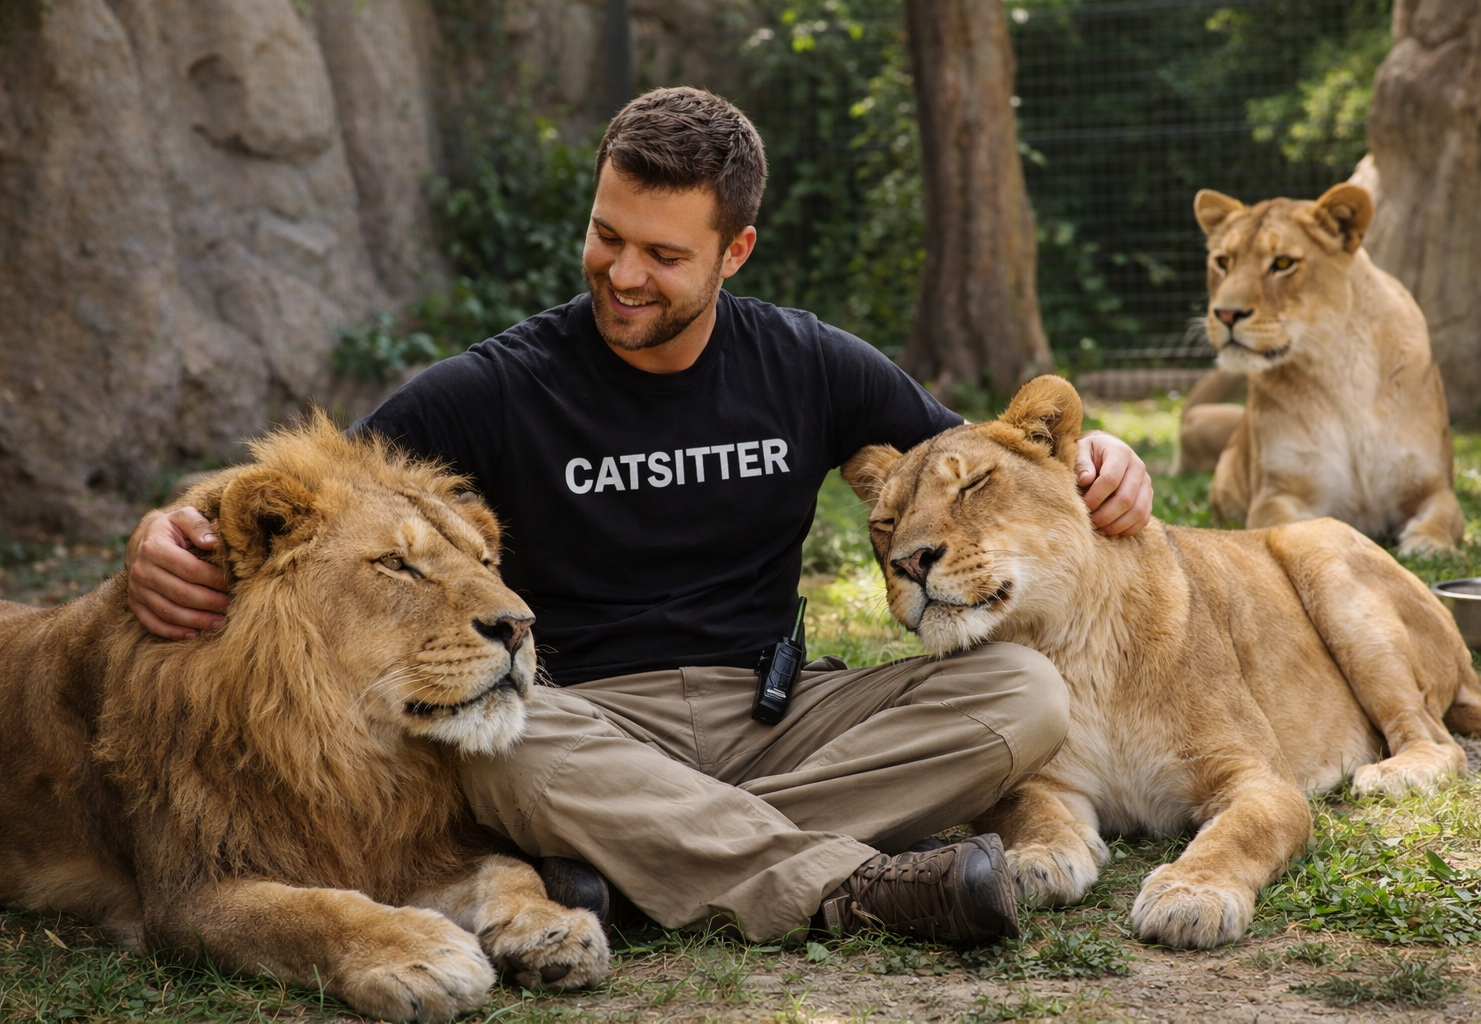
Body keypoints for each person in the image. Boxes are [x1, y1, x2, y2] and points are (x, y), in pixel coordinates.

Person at [125, 87, 1153, 949]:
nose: (622, 273)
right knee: (502, 747)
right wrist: (176, 518)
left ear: (735, 249)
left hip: (778, 714)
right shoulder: (498, 385)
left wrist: (1101, 457)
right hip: (587, 717)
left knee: (1024, 693)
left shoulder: (807, 362)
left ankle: (634, 861)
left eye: (662, 255)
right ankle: (843, 885)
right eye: (606, 236)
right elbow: (322, 491)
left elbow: (975, 463)